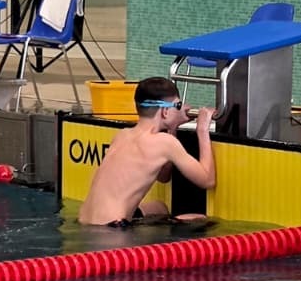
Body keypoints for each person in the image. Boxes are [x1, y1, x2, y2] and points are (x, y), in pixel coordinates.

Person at [77, 77, 217, 227]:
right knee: (200, 218)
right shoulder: (164, 143)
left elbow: (163, 177)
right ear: (165, 111)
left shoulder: (122, 135)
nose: (181, 109)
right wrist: (202, 129)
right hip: (112, 230)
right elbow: (208, 180)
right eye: (178, 105)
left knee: (159, 208)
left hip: (85, 221)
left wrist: (173, 127)